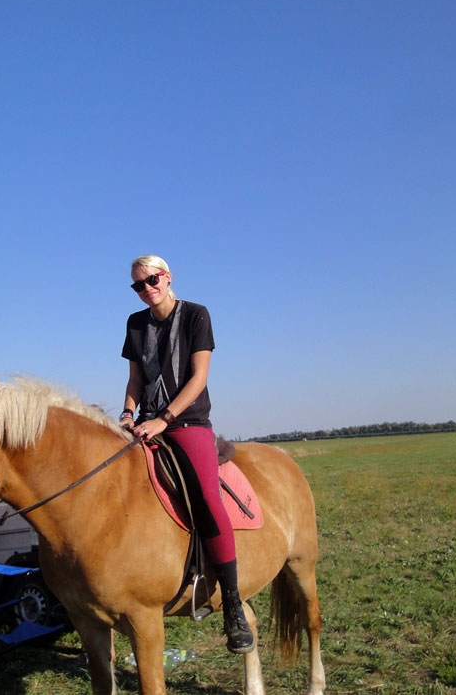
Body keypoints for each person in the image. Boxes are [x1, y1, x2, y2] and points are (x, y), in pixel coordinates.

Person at [119, 255, 254, 654]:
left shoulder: (196, 315)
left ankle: (232, 607)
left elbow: (199, 378)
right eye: (138, 285)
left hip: (188, 421)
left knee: (208, 499)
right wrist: (128, 413)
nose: (147, 288)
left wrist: (164, 419)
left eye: (152, 279)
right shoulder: (135, 324)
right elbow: (134, 379)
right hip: (145, 421)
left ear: (168, 277)